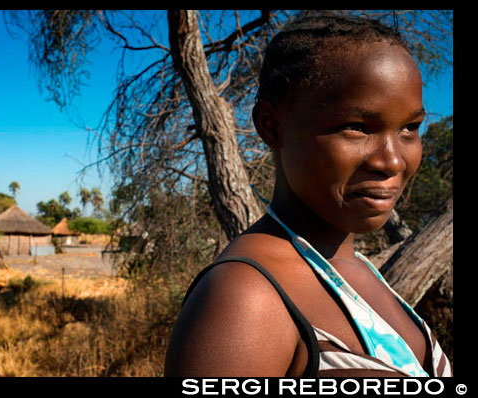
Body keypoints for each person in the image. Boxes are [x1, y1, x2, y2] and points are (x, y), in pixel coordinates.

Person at [164, 14, 452, 377]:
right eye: (357, 127)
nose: (393, 161)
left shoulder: (359, 269)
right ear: (271, 126)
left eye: (410, 128)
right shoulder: (247, 298)